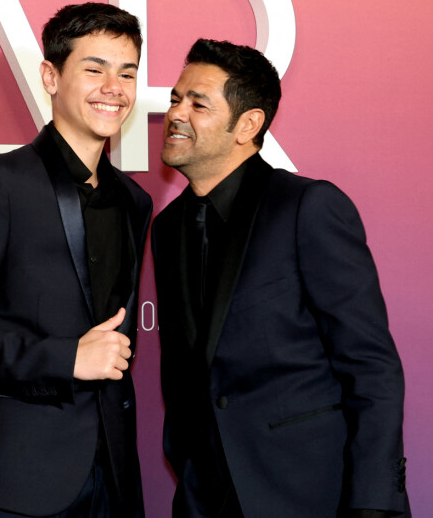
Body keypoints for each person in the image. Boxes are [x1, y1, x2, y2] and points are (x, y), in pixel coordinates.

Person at [152, 38, 410, 518]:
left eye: (197, 103)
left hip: (310, 493)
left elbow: (371, 367)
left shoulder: (306, 208)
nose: (175, 114)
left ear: (247, 125)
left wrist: (372, 504)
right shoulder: (168, 228)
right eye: (174, 98)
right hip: (205, 496)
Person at [0, 2, 152, 518]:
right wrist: (66, 358)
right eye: (94, 69)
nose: (114, 87)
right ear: (51, 76)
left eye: (127, 72)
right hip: (18, 478)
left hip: (112, 476)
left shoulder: (135, 202)